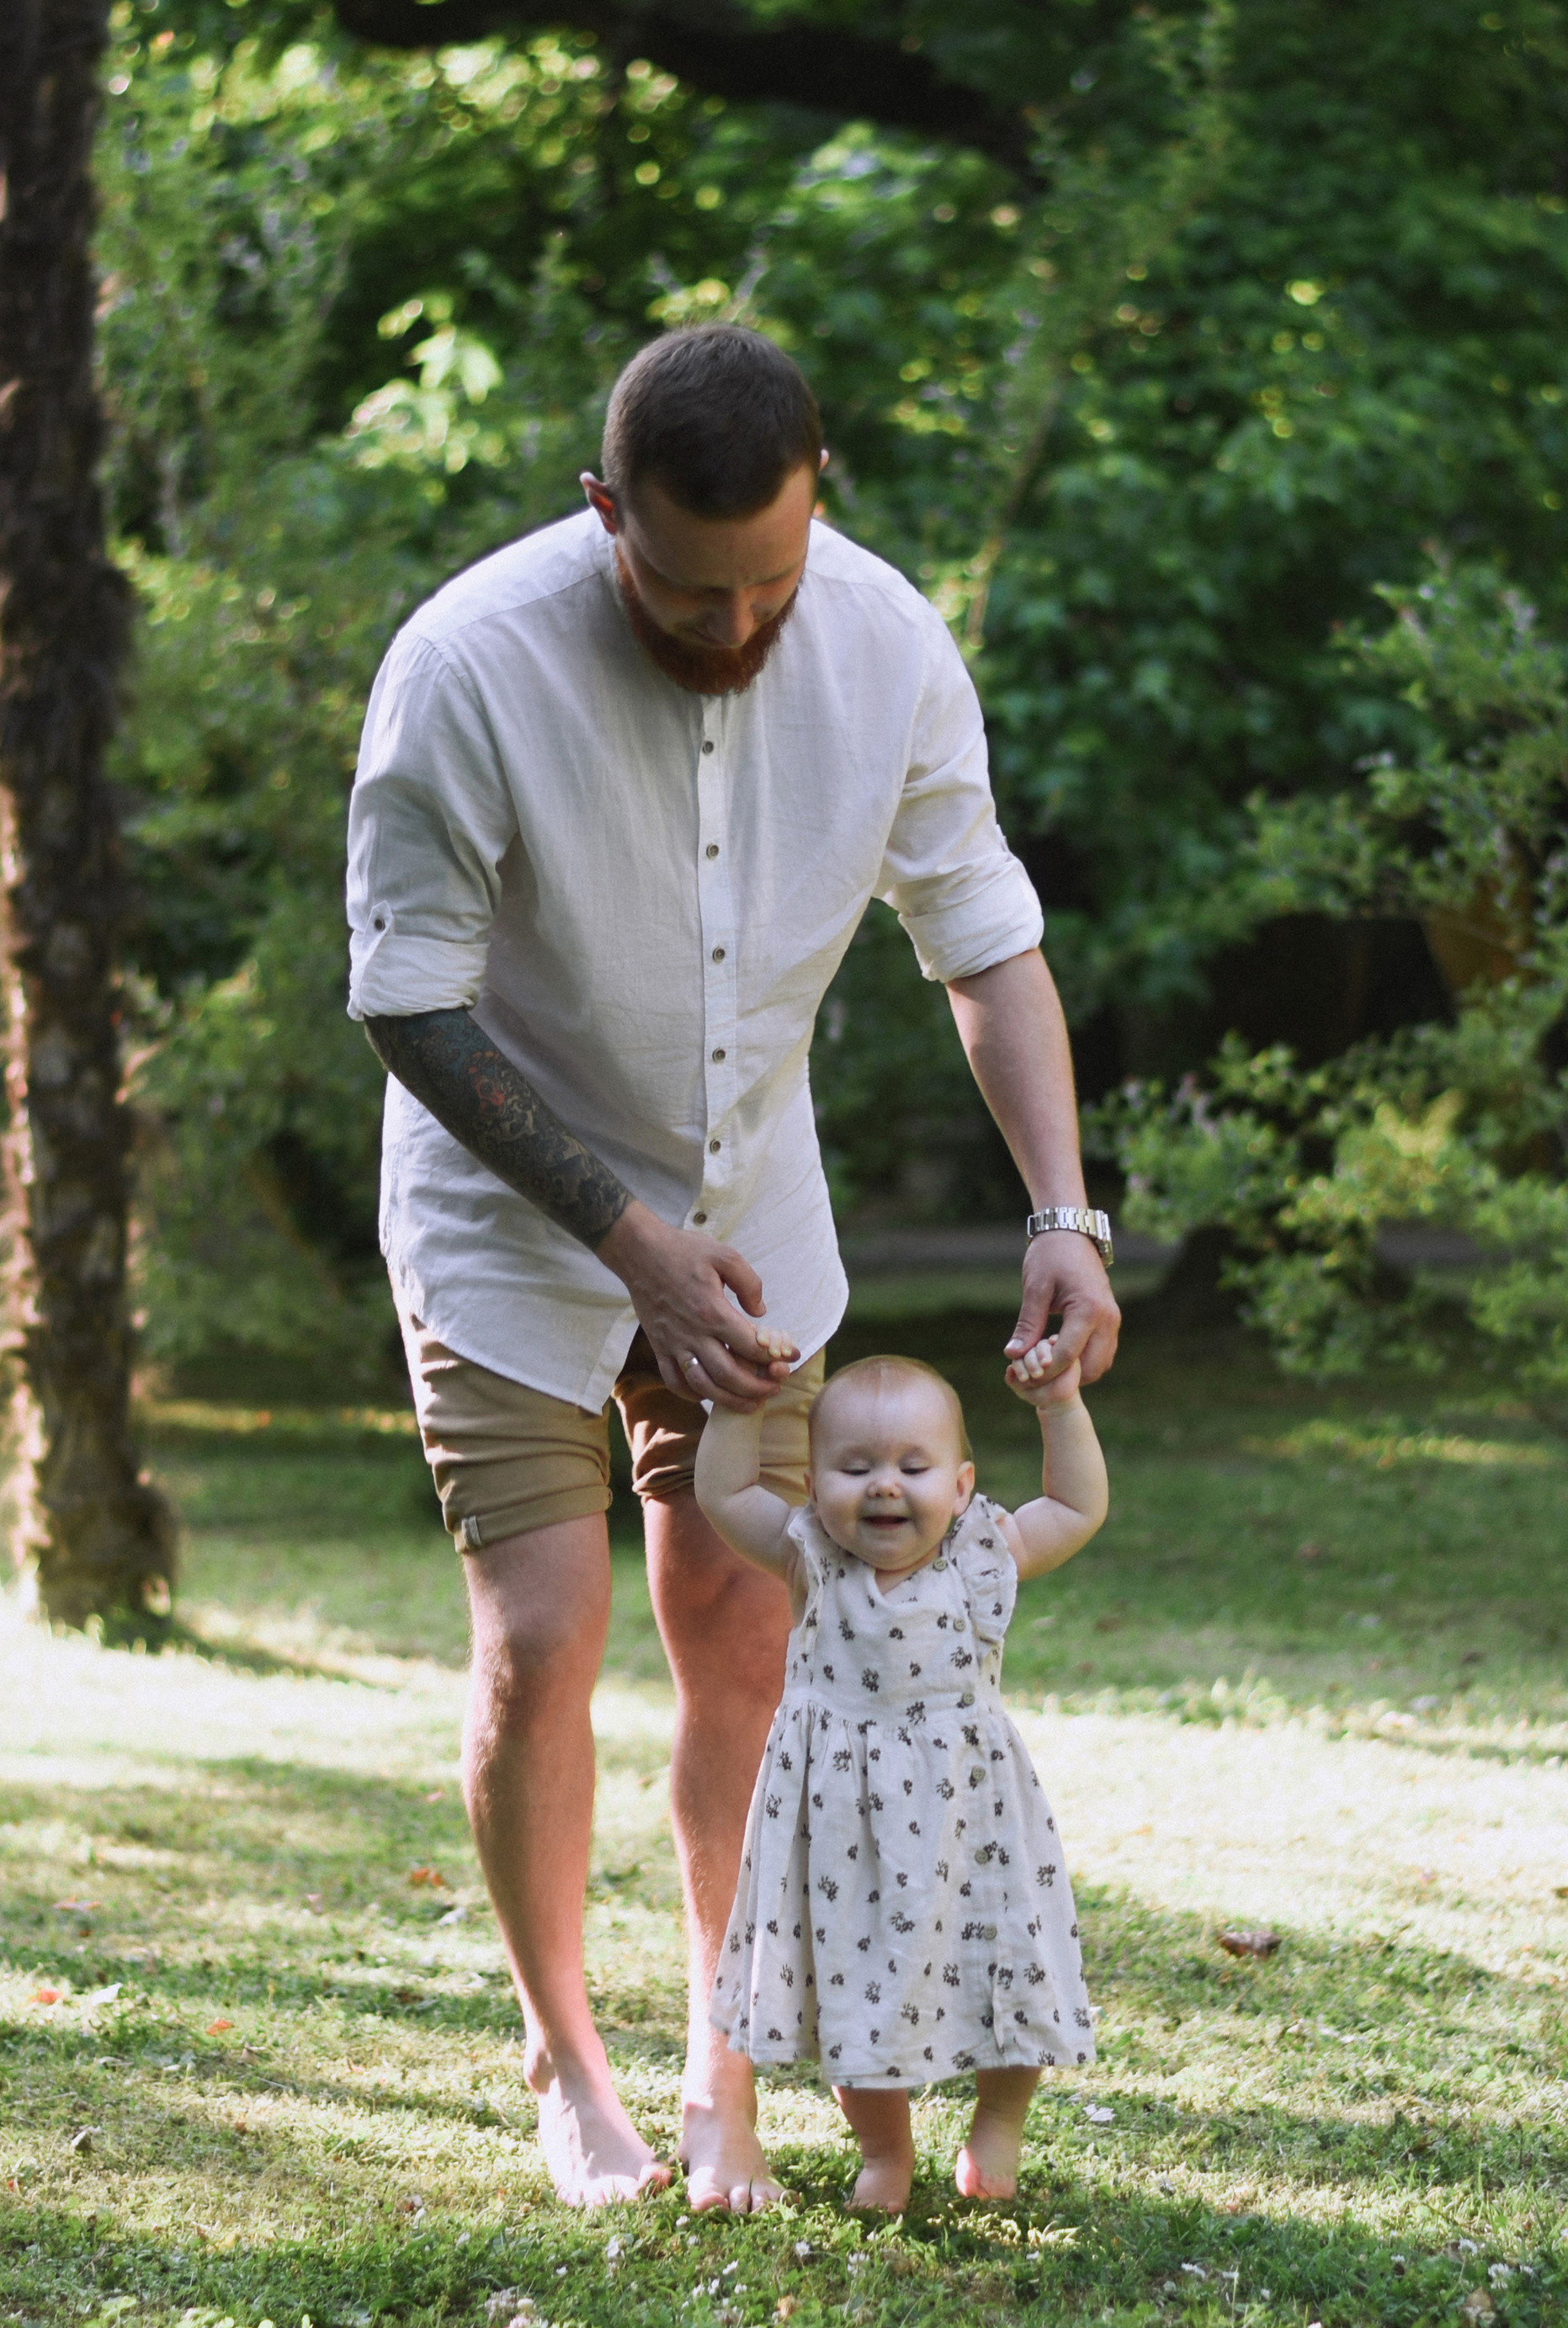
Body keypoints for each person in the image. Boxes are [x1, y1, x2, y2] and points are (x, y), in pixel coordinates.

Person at [344, 322, 1120, 2213]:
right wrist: (621, 1240)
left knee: (749, 1640)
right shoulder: (466, 664)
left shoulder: (881, 643)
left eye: (767, 577)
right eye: (688, 589)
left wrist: (1059, 1210)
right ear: (607, 510)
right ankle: (566, 2063)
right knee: (546, 1644)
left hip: (755, 1227)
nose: (734, 624)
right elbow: (408, 1000)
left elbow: (980, 936)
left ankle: (723, 2055)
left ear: (816, 492)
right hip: (511, 1235)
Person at [695, 1339, 1108, 2209]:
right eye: (854, 1466)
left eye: (912, 1465)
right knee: (855, 1989)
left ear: (959, 1486)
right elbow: (725, 1493)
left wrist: (1059, 1403)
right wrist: (738, 1408)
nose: (884, 1484)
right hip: (843, 1830)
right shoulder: (810, 1552)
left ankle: (999, 2118)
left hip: (972, 1819)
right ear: (811, 1485)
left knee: (1006, 1963)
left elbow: (1075, 1504)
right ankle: (885, 2149)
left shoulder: (984, 1549)